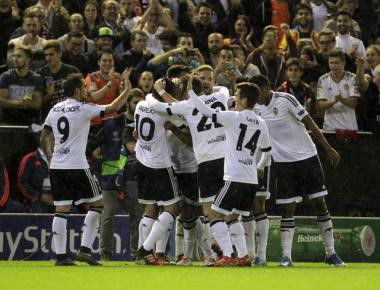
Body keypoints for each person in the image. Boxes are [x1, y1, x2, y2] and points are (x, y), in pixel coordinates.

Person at [250, 74, 346, 267]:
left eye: (257, 92)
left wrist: (328, 148)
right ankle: (286, 257)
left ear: (267, 88)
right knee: (288, 208)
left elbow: (309, 123)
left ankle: (331, 253)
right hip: (282, 163)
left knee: (319, 202)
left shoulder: (286, 99)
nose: (255, 96)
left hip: (307, 157)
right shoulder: (253, 108)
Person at [40, 72, 130, 266]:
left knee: (62, 209)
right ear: (77, 90)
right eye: (83, 87)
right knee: (98, 204)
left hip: (57, 166)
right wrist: (127, 90)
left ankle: (62, 256)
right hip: (78, 166)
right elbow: (113, 107)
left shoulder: (55, 109)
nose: (86, 91)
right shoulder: (84, 108)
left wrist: (49, 157)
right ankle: (85, 250)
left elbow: (44, 135)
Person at [145, 66, 230, 265]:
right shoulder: (222, 95)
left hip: (196, 164)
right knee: (189, 213)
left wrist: (153, 93)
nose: (208, 81)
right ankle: (190, 255)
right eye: (204, 78)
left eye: (210, 78)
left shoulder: (185, 106)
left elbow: (166, 107)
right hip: (202, 162)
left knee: (202, 212)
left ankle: (212, 253)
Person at [188, 77, 271, 267]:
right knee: (233, 217)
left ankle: (227, 255)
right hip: (251, 180)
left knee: (215, 215)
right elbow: (267, 153)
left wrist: (191, 92)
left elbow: (205, 111)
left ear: (243, 100)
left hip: (234, 177)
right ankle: (242, 256)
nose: (234, 98)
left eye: (237, 95)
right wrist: (259, 167)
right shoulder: (261, 122)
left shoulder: (233, 117)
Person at [133, 79, 181, 265]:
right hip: (160, 165)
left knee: (150, 207)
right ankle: (145, 249)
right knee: (173, 207)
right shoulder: (163, 109)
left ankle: (150, 255)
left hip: (142, 160)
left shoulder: (141, 104)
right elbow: (181, 113)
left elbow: (136, 133)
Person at [317, 48, 359, 131]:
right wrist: (334, 101)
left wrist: (341, 99)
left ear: (343, 63)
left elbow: (354, 104)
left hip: (350, 128)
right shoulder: (322, 80)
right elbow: (321, 105)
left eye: (336, 63)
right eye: (331, 63)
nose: (333, 66)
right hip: (330, 127)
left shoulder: (352, 78)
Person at [0, 45, 43, 125]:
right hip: (8, 120)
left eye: (19, 56)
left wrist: (29, 103)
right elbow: (1, 101)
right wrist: (21, 103)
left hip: (29, 120)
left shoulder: (36, 78)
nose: (15, 59)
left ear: (28, 59)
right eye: (14, 56)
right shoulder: (6, 76)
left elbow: (38, 104)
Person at [37, 40, 79, 121]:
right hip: (49, 116)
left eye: (51, 54)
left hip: (70, 115)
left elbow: (81, 96)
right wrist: (49, 94)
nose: (48, 58)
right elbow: (38, 103)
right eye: (46, 55)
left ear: (60, 53)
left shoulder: (72, 71)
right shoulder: (40, 74)